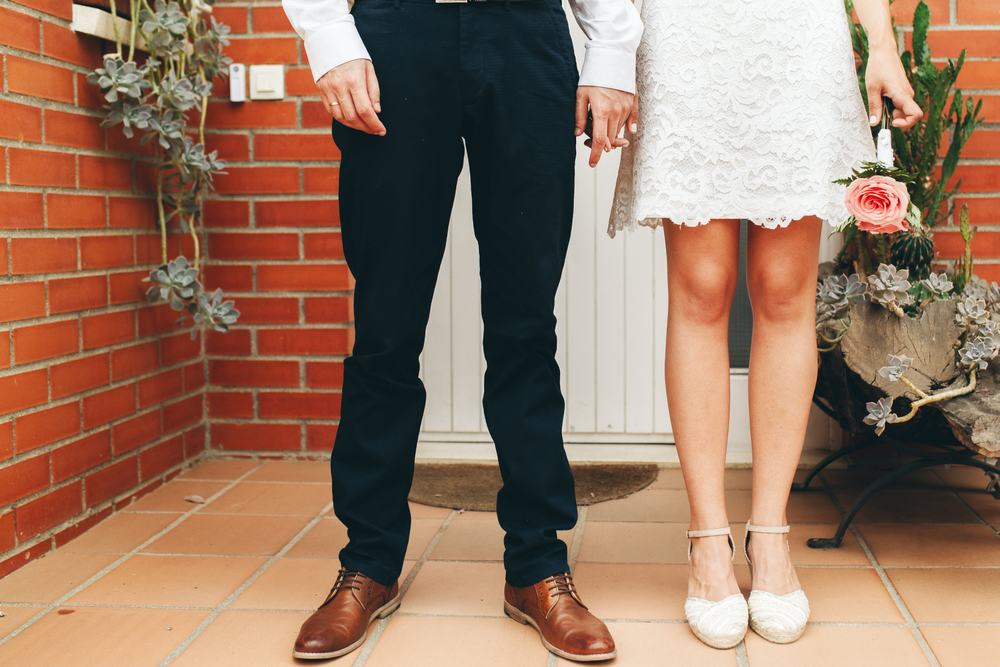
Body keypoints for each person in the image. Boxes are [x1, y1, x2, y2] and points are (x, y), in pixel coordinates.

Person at [281, 0, 643, 660]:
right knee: (385, 327)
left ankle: (537, 565)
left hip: (526, 35)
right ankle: (368, 562)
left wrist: (613, 53)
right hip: (395, 35)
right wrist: (329, 35)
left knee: (526, 325)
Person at [609, 0, 921, 649]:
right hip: (688, 34)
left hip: (796, 35)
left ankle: (771, 536)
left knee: (783, 291)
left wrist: (883, 44)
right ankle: (707, 541)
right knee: (701, 286)